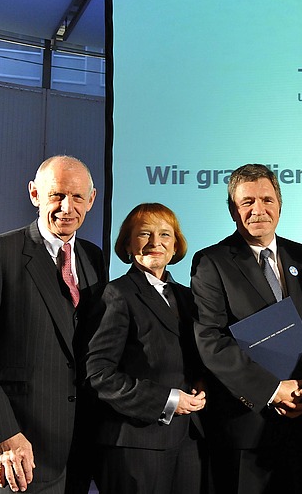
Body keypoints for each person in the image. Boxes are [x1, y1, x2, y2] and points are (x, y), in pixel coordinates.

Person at [0, 155, 107, 494]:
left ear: (92, 199)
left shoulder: (93, 258)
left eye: (77, 197)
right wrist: (3, 436)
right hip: (16, 453)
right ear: (35, 194)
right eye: (57, 195)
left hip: (76, 453)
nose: (67, 207)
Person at [190, 163, 302, 493]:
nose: (258, 210)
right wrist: (272, 390)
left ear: (280, 204)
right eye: (247, 202)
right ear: (232, 211)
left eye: (266, 200)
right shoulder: (211, 261)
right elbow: (211, 341)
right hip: (246, 429)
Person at [85, 203, 208, 493]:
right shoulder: (117, 294)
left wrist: (202, 383)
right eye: (144, 234)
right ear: (127, 244)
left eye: (165, 234)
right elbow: (99, 375)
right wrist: (167, 400)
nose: (156, 242)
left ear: (176, 245)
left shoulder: (189, 297)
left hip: (189, 441)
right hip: (136, 446)